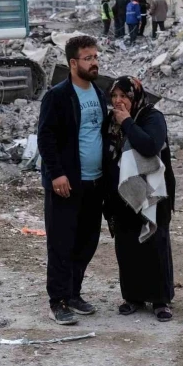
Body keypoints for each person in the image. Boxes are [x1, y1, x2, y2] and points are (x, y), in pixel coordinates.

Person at [37, 35, 107, 325]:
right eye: (88, 58)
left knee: (87, 242)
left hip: (95, 183)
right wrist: (57, 174)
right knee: (61, 243)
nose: (94, 62)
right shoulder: (58, 96)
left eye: (96, 57)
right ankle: (58, 300)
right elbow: (46, 137)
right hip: (66, 184)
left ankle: (74, 293)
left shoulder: (99, 93)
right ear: (73, 63)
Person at [103, 76, 176, 321]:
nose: (118, 101)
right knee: (127, 245)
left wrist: (127, 124)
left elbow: (150, 145)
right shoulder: (111, 122)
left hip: (153, 193)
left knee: (155, 244)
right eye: (114, 96)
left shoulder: (152, 117)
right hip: (122, 195)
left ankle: (160, 300)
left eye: (123, 96)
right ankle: (132, 296)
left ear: (135, 96)